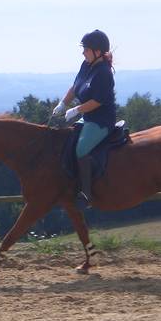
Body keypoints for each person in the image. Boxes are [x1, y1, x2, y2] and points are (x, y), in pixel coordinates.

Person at [53, 29, 116, 209]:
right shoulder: (86, 65)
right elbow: (75, 87)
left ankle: (87, 194)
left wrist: (76, 110)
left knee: (81, 149)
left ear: (97, 51)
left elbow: (97, 101)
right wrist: (63, 104)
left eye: (86, 49)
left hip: (101, 120)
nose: (83, 52)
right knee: (67, 141)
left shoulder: (104, 72)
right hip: (87, 117)